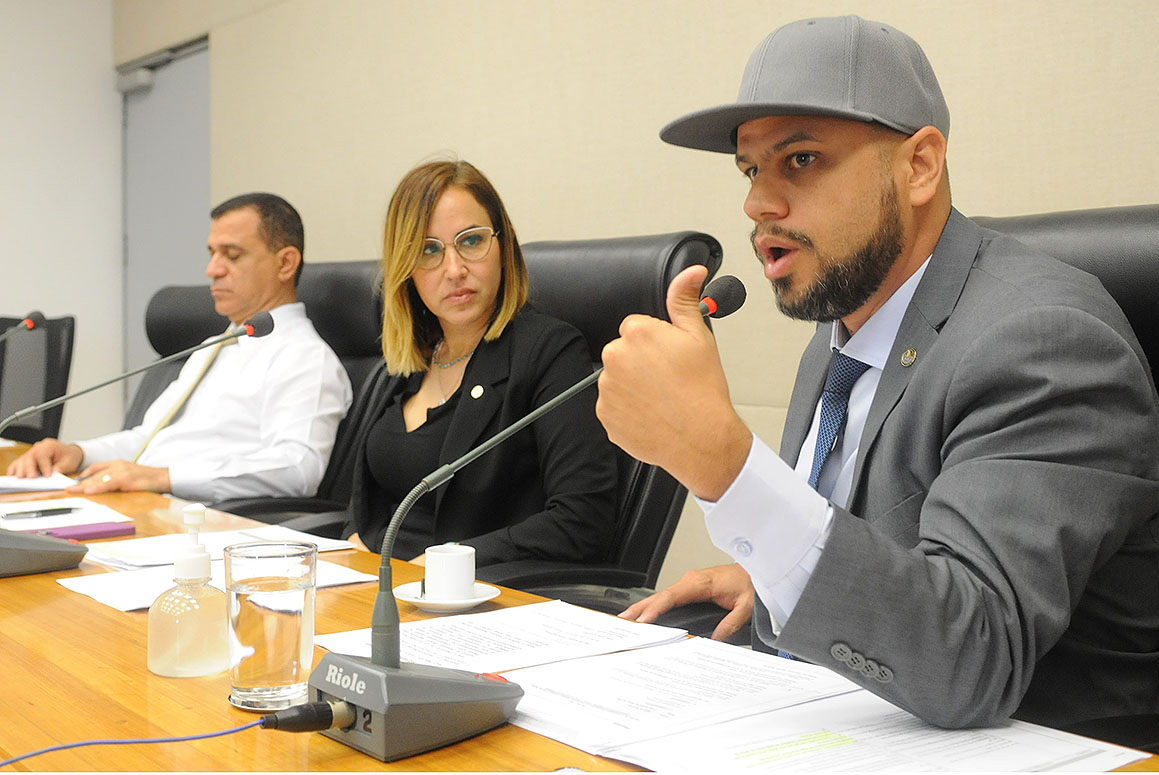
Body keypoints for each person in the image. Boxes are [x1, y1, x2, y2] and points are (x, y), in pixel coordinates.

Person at [599, 15, 1159, 731]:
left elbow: (972, 655)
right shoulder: (841, 338)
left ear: (919, 165)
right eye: (750, 169)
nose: (756, 204)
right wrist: (769, 575)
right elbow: (900, 548)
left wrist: (729, 470)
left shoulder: (1043, 339)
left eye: (798, 159)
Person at [344, 160, 618, 566]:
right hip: (378, 588)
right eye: (427, 250)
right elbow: (370, 498)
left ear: (502, 245)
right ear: (405, 270)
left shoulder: (547, 351)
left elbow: (583, 521)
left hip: (472, 600)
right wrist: (352, 540)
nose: (454, 270)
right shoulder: (410, 362)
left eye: (471, 241)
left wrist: (453, 560)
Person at [7, 193, 353, 503]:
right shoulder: (215, 346)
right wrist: (78, 453)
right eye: (212, 253)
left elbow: (299, 468)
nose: (212, 270)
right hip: (150, 505)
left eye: (232, 255)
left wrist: (162, 478)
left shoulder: (304, 357)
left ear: (285, 263)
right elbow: (149, 439)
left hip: (208, 523)